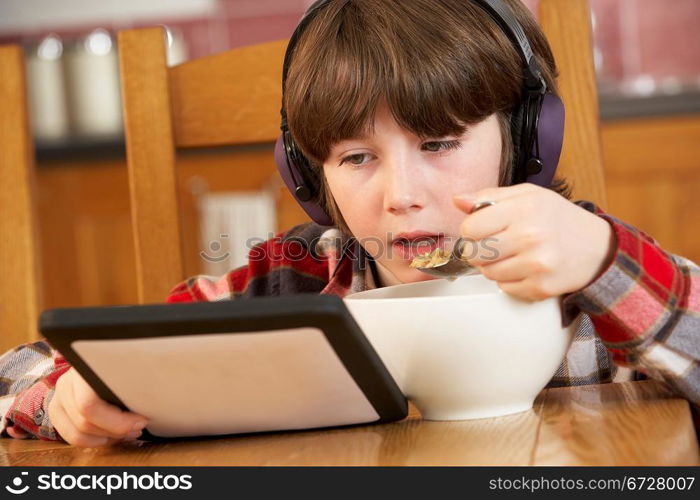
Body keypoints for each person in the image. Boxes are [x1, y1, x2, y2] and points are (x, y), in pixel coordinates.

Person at [2, 0, 698, 447]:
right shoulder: (294, 283)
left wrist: (607, 262)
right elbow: (36, 367)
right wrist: (63, 396)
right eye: (358, 157)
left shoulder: (588, 265)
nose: (401, 195)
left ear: (527, 139)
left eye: (439, 144)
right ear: (308, 176)